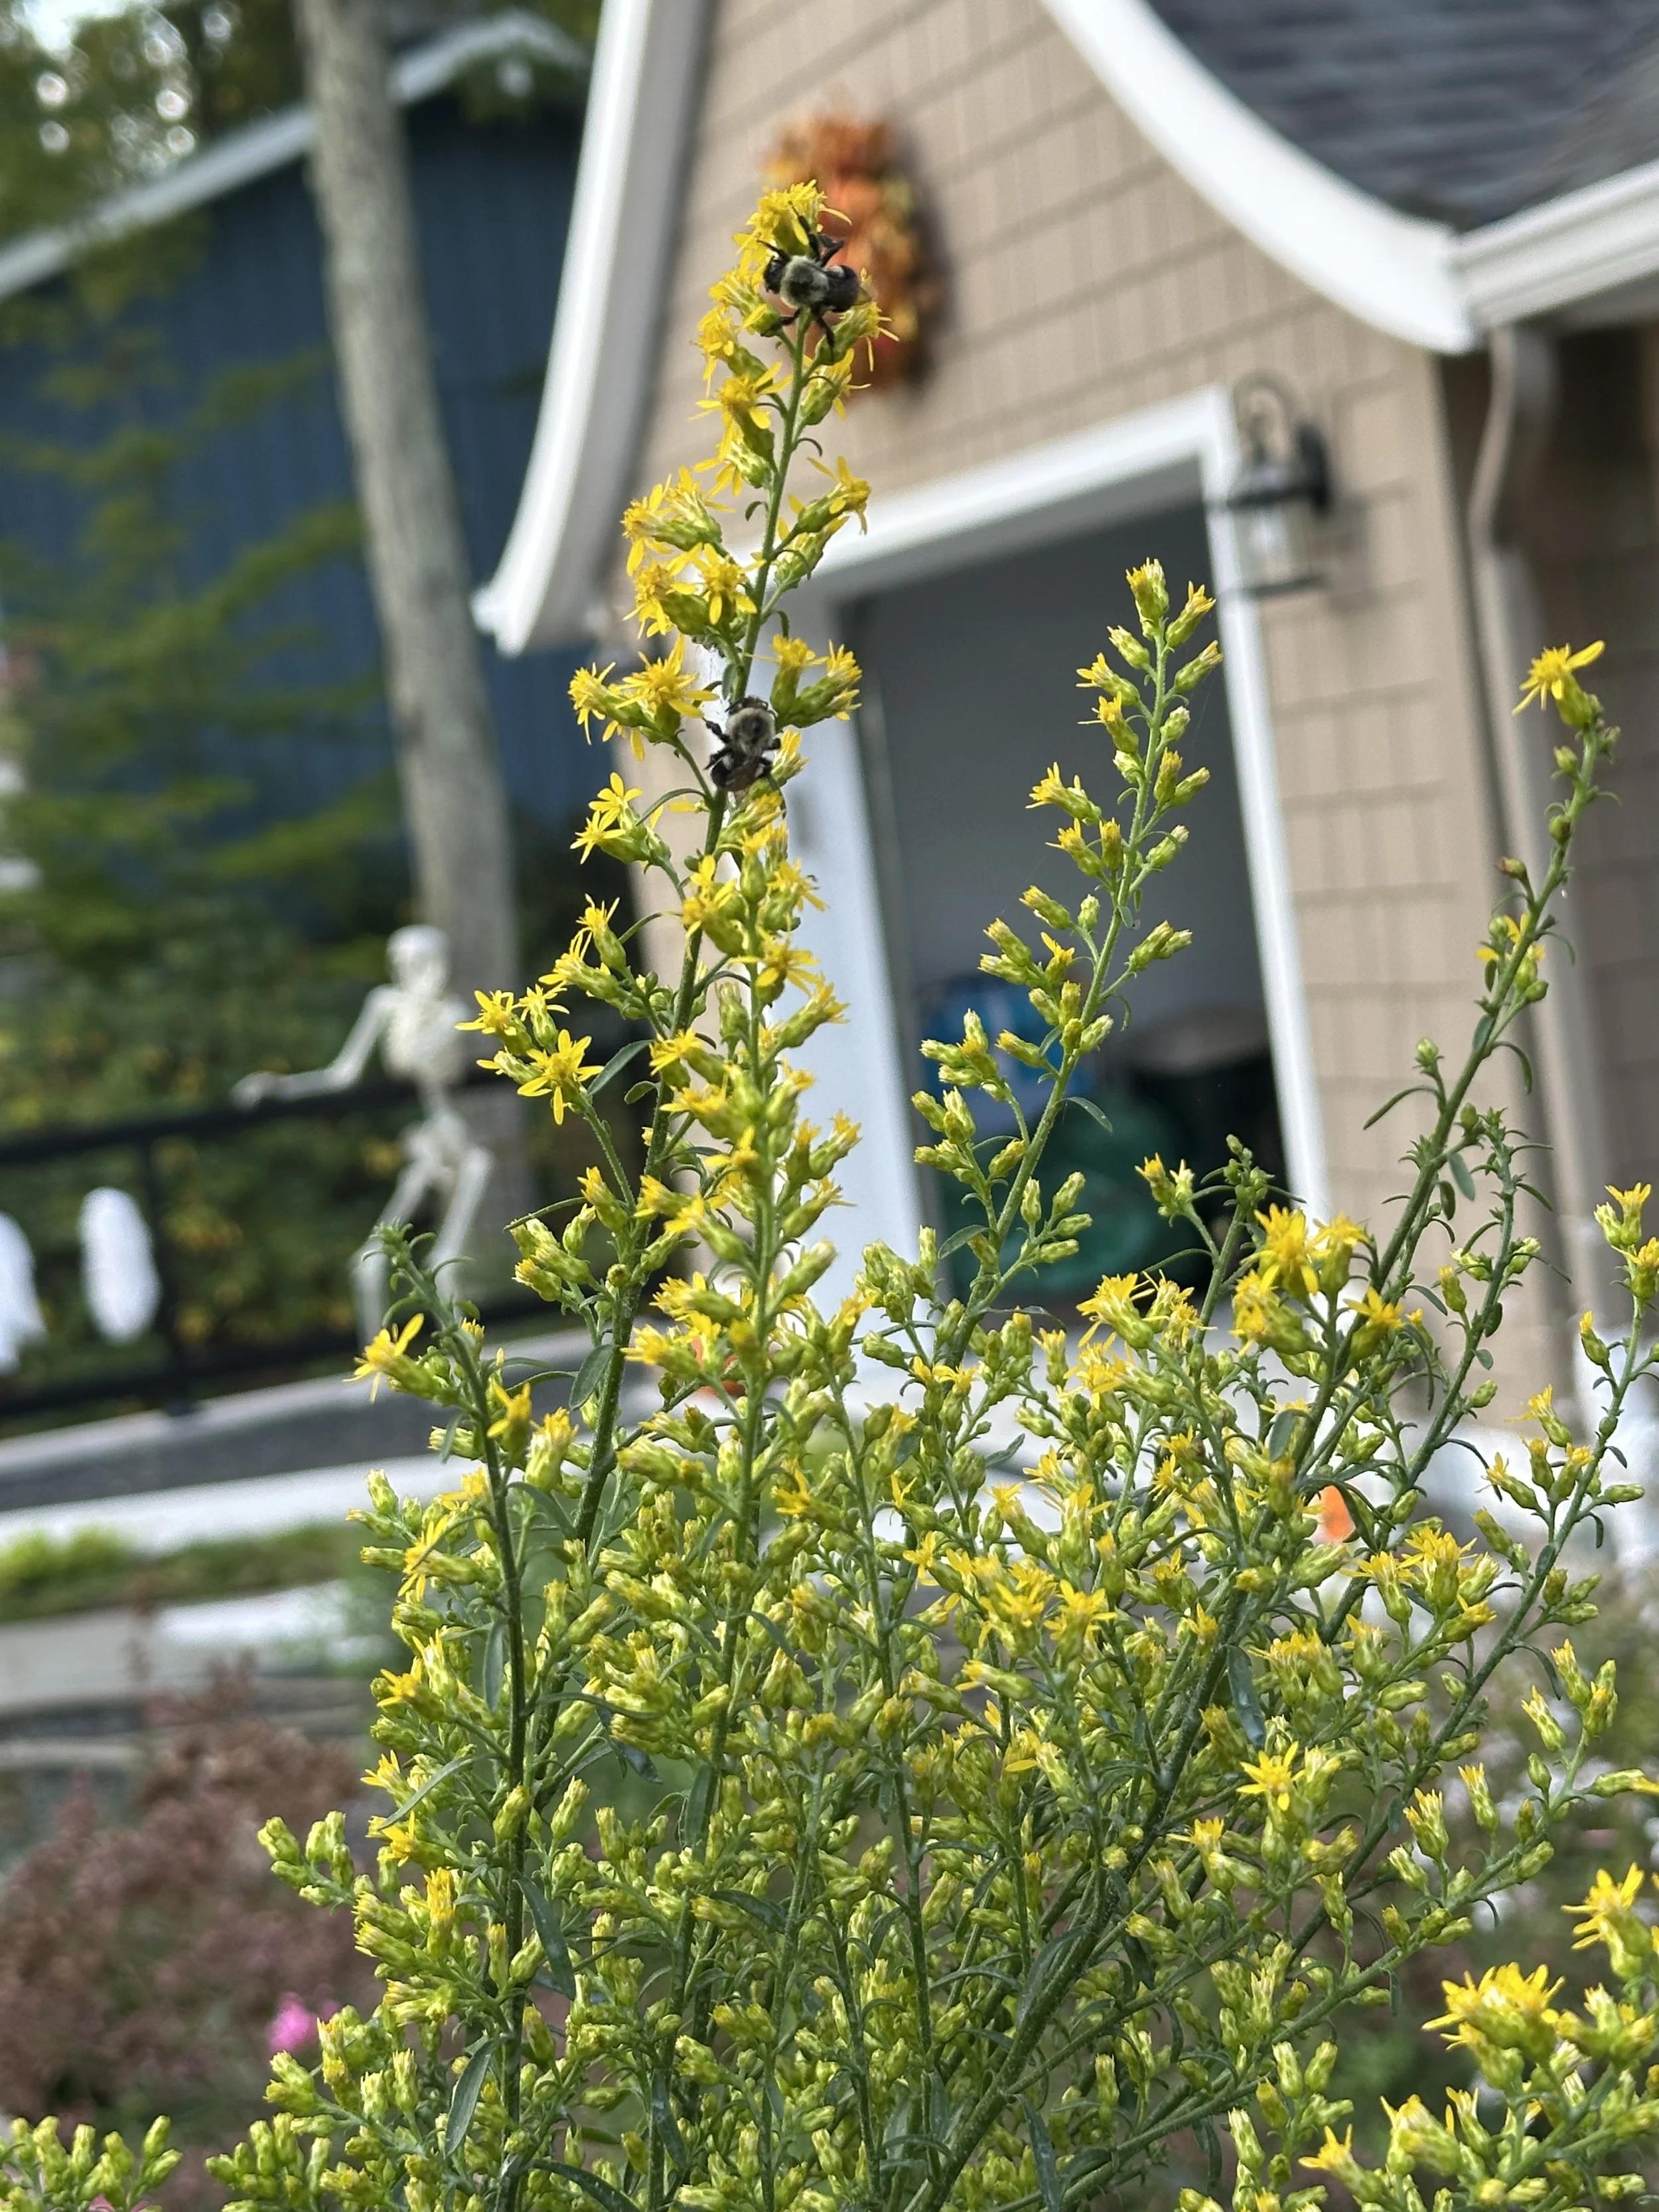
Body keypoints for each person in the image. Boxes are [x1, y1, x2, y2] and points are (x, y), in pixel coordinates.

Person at [234, 925, 492, 1339]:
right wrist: (278, 1086)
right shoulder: (386, 1004)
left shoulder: (453, 1013)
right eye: (403, 962)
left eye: (420, 962)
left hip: (445, 1128)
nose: (411, 971)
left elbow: (433, 1060)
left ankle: (465, 1358)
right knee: (375, 1257)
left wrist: (434, 1019)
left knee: (463, 1206)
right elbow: (344, 1073)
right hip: (423, 1134)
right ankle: (381, 1357)